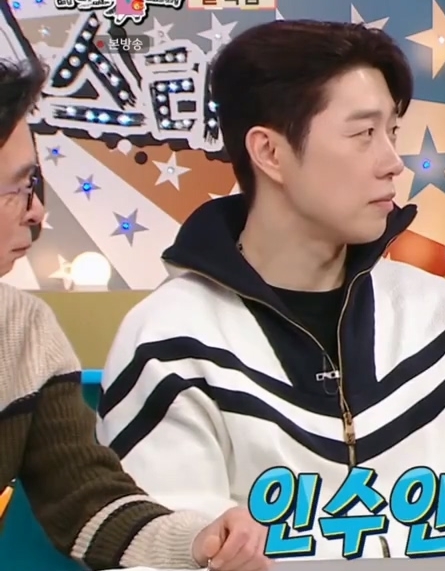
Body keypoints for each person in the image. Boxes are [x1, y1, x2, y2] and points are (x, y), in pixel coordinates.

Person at [94, 20, 445, 558]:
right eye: (364, 134)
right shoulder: (169, 341)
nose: (393, 163)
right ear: (269, 152)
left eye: (392, 132)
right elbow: (176, 550)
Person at [0, 59, 271, 571]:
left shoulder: (24, 331)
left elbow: (87, 503)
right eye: (18, 188)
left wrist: (197, 542)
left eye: (34, 183)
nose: (36, 211)